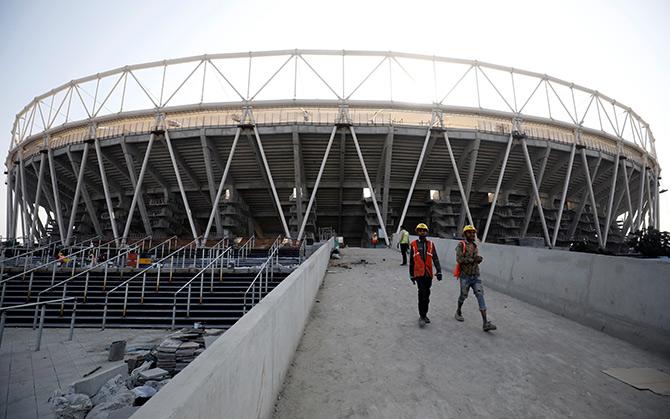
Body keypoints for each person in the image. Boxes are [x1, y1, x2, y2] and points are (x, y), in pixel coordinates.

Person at [454, 225, 497, 332]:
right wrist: (474, 260)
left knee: (480, 294)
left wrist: (479, 259)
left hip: (475, 275)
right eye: (469, 232)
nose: (472, 234)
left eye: (473, 233)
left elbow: (474, 259)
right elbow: (459, 259)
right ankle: (458, 311)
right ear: (465, 234)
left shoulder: (475, 246)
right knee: (463, 295)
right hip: (465, 276)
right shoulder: (461, 245)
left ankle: (485, 322)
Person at [409, 223, 442, 327]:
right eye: (420, 230)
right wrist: (411, 275)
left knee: (427, 295)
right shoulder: (413, 244)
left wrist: (439, 271)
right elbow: (411, 261)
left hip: (428, 274)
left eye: (424, 230)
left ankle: (425, 314)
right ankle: (422, 316)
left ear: (426, 232)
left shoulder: (431, 244)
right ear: (417, 232)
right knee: (422, 294)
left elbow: (435, 258)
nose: (422, 232)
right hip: (419, 274)